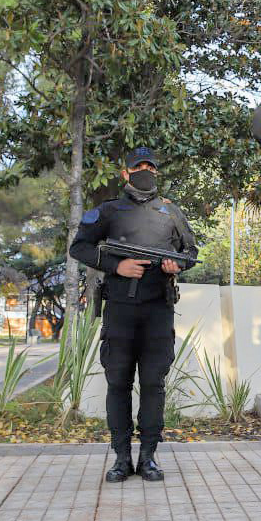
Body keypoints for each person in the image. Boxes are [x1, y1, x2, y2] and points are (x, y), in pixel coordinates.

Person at [69, 147, 197, 484]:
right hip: (120, 311)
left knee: (154, 384)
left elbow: (190, 251)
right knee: (118, 383)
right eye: (138, 167)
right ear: (125, 173)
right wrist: (117, 265)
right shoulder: (109, 211)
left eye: (150, 167)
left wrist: (176, 264)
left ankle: (149, 456)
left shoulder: (170, 212)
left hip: (158, 309)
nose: (145, 172)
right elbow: (79, 247)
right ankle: (121, 457)